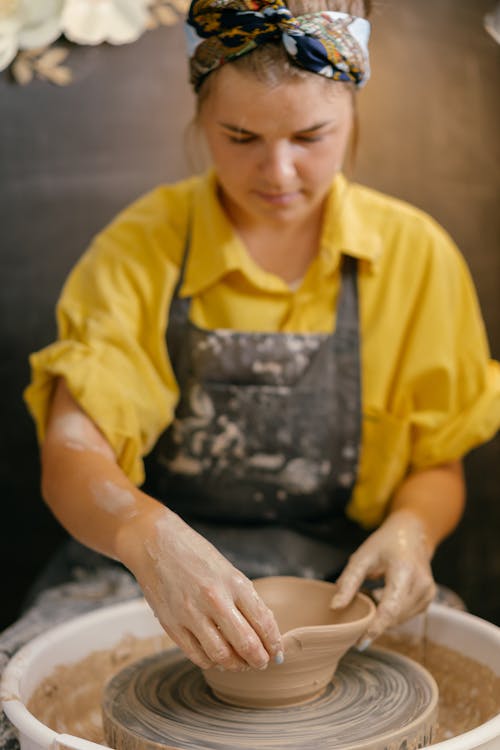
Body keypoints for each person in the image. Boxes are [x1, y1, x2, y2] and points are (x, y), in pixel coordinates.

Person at [24, 0, 499, 674]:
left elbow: (437, 461)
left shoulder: (415, 254)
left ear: (355, 116)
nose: (277, 174)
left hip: (340, 584)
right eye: (240, 138)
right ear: (199, 120)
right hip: (140, 570)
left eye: (310, 137)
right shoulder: (142, 245)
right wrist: (144, 534)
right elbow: (73, 451)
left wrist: (412, 532)